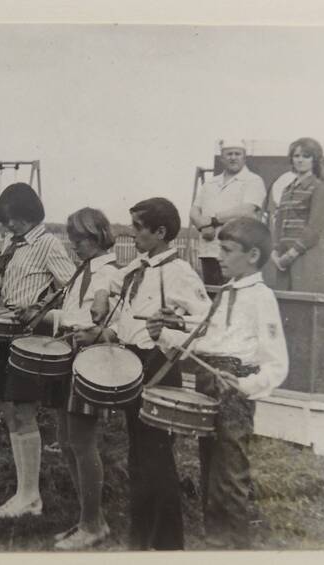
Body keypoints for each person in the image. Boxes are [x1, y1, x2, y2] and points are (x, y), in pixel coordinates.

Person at [150, 217, 288, 549]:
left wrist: (247, 385)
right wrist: (167, 334)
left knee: (230, 476)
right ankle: (216, 543)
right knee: (210, 471)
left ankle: (236, 546)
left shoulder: (261, 296)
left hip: (232, 387)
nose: (219, 257)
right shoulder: (226, 292)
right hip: (207, 381)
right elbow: (208, 342)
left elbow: (277, 363)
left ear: (253, 255)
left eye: (226, 250)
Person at [95, 197, 211, 550]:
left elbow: (203, 323)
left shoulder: (180, 273)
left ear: (161, 232)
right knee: (138, 456)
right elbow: (112, 279)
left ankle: (168, 545)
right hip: (132, 363)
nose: (132, 234)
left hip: (159, 366)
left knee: (156, 458)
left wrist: (168, 336)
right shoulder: (140, 266)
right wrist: (101, 293)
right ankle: (140, 538)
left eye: (138, 228)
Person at [0, 183, 75, 519]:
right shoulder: (14, 244)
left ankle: (30, 497)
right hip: (10, 335)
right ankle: (25, 492)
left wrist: (40, 310)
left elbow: (72, 290)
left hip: (32, 340)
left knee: (23, 412)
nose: (7, 226)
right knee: (10, 410)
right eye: (5, 220)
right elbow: (13, 291)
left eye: (11, 219)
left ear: (28, 214)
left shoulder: (47, 244)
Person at [41, 208, 121, 549]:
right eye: (72, 240)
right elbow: (73, 313)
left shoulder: (111, 272)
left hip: (90, 360)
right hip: (68, 354)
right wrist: (46, 315)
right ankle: (88, 519)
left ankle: (92, 523)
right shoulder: (82, 271)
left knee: (82, 443)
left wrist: (100, 323)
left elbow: (109, 312)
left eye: (80, 240)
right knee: (66, 440)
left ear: (99, 235)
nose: (74, 246)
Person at [190, 139, 266, 287]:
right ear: (222, 158)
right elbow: (194, 210)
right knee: (212, 294)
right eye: (229, 154)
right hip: (209, 250)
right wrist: (201, 226)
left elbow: (247, 210)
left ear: (244, 157)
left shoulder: (253, 181)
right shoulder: (210, 183)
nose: (233, 157)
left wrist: (211, 221)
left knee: (235, 294)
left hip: (236, 251)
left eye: (237, 154)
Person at [265, 137, 324, 292]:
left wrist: (292, 254)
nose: (300, 160)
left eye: (306, 156)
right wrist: (275, 250)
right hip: (283, 257)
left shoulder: (318, 188)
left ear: (315, 160)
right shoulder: (287, 189)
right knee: (285, 303)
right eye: (296, 156)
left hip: (305, 256)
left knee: (303, 303)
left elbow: (314, 228)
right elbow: (279, 222)